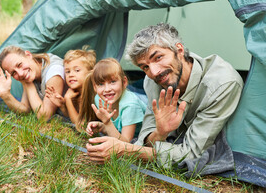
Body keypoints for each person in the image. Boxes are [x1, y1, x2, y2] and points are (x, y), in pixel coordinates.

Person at [86, 23, 244, 167]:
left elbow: (190, 153)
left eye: (158, 57)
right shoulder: (152, 81)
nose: (154, 72)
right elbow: (145, 138)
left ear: (179, 50)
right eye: (145, 67)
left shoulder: (222, 84)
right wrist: (160, 132)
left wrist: (125, 150)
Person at [0, 45, 65, 121]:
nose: (20, 73)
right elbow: (25, 110)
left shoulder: (54, 72)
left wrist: (28, 85)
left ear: (28, 55)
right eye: (14, 73)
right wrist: (5, 95)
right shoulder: (29, 72)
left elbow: (44, 117)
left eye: (19, 65)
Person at [80, 58, 146, 143]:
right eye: (101, 84)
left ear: (124, 82)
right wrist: (101, 126)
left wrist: (107, 123)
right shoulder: (99, 99)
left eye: (112, 82)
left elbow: (125, 144)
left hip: (138, 136)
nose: (107, 89)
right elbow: (115, 129)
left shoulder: (130, 105)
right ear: (95, 87)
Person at [45, 46, 96, 124]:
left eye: (77, 70)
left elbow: (80, 125)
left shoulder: (89, 93)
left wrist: (68, 100)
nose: (71, 75)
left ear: (90, 72)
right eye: (68, 71)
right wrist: (62, 106)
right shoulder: (74, 92)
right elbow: (72, 117)